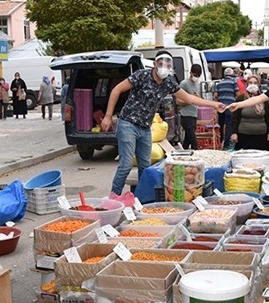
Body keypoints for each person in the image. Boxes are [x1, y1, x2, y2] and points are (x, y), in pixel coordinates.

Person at [100, 51, 224, 196]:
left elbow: (190, 99)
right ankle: (114, 197)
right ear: (154, 64)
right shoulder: (141, 75)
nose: (164, 67)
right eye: (161, 64)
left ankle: (142, 197)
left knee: (145, 167)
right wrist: (108, 116)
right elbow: (117, 90)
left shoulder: (169, 82)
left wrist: (214, 104)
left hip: (146, 128)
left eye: (167, 65)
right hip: (128, 123)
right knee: (126, 164)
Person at [231, 76, 269, 151]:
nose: (252, 85)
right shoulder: (240, 99)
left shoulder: (263, 99)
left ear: (258, 84)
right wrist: (234, 133)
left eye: (255, 83)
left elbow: (268, 117)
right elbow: (235, 117)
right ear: (247, 84)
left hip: (261, 136)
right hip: (243, 135)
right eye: (250, 83)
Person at [178, 63, 202, 149]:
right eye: (195, 75)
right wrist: (190, 100)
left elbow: (197, 99)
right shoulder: (184, 84)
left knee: (187, 140)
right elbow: (178, 101)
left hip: (194, 114)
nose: (196, 77)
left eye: (198, 76)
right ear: (190, 73)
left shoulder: (197, 84)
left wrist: (198, 98)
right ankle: (197, 154)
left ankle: (183, 153)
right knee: (194, 141)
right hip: (185, 115)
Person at [215, 68, 238, 148]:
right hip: (229, 107)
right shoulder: (233, 82)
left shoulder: (219, 84)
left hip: (221, 107)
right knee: (229, 126)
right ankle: (226, 144)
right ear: (232, 74)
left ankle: (220, 141)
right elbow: (237, 94)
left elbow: (216, 96)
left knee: (221, 125)